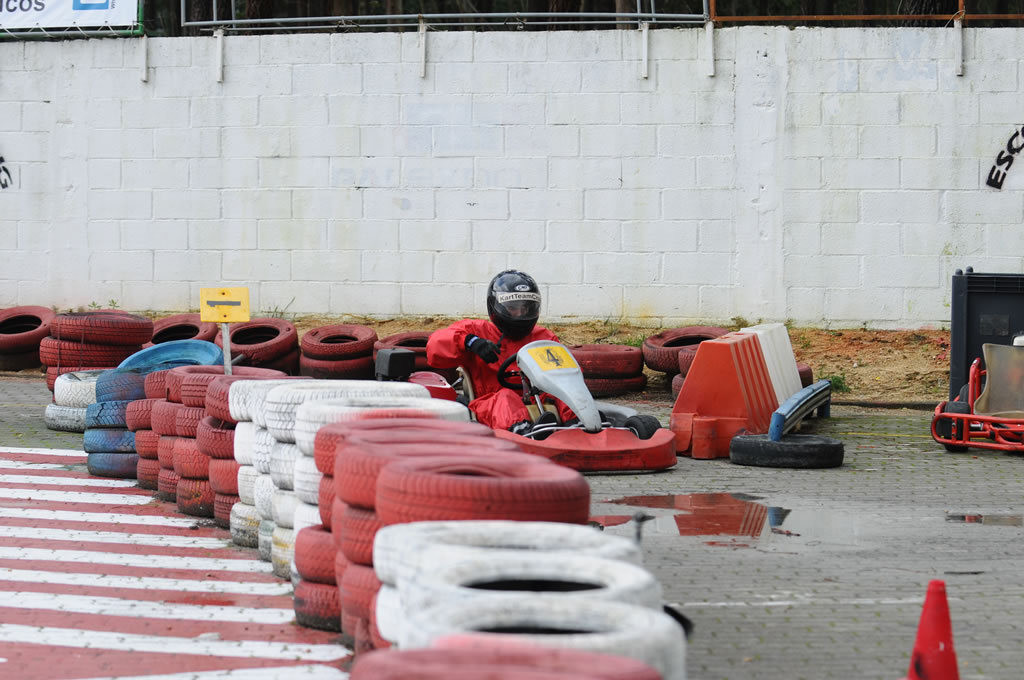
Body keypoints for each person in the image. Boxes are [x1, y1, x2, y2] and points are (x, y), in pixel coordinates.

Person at [427, 270, 574, 433]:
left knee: (568, 391)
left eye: (525, 308)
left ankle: (581, 425)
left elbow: (568, 375)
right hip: (491, 404)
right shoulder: (476, 330)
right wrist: (471, 342)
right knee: (506, 397)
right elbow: (434, 348)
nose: (520, 314)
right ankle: (524, 430)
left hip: (539, 401)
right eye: (513, 308)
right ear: (495, 307)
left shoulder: (544, 337)